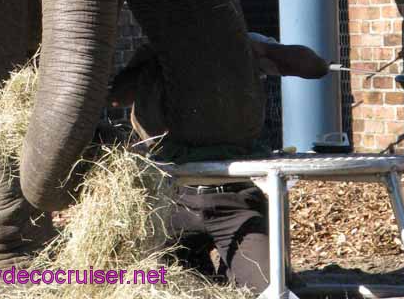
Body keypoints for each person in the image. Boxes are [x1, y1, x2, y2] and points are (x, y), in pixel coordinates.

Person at [109, 34, 329, 294]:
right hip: (175, 201)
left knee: (269, 288)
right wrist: (149, 63)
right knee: (163, 286)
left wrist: (260, 50)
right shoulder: (160, 53)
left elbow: (316, 67)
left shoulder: (234, 43)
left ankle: (238, 269)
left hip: (233, 200)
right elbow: (115, 98)